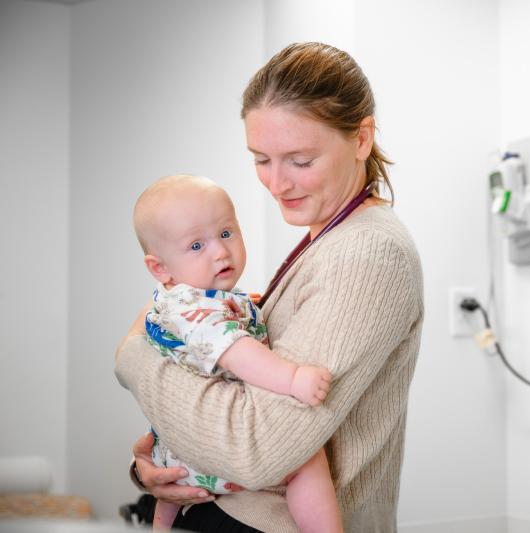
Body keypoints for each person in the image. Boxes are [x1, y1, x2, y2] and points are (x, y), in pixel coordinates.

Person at [115, 41, 424, 533]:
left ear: (362, 139)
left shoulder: (367, 252)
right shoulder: (326, 241)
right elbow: (231, 389)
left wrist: (133, 359)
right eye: (262, 159)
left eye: (300, 161)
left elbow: (256, 446)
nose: (277, 183)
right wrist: (157, 464)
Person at [130, 174, 341, 532]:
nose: (220, 251)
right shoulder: (196, 311)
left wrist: (244, 308)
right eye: (196, 246)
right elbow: (236, 352)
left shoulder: (184, 300)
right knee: (305, 459)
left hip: (178, 454)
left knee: (168, 500)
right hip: (210, 456)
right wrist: (293, 378)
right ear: (159, 267)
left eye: (226, 233)